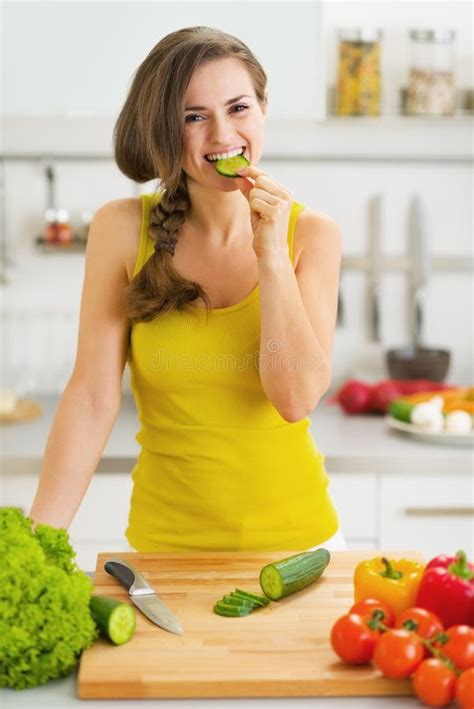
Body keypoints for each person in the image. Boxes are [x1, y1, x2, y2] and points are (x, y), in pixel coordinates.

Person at [29, 26, 347, 553]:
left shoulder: (312, 235)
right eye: (193, 116)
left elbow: (295, 399)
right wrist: (38, 541)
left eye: (238, 107)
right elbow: (90, 396)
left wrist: (269, 255)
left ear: (263, 108)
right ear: (163, 130)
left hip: (299, 551)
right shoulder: (121, 229)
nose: (222, 133)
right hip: (164, 551)